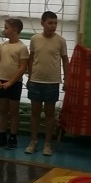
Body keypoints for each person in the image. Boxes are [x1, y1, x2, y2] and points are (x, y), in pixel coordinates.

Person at [25, 11, 69, 157]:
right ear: (42, 23)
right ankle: (33, 141)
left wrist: (67, 79)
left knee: (50, 114)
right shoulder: (34, 39)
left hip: (52, 82)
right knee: (35, 113)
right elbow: (31, 59)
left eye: (55, 23)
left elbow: (65, 61)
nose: (53, 26)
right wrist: (30, 77)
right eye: (50, 23)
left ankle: (47, 143)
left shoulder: (61, 41)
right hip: (36, 81)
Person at [0, 18, 29, 149]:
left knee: (14, 112)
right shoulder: (2, 46)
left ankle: (13, 137)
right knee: (3, 110)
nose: (4, 30)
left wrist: (11, 82)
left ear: (15, 30)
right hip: (1, 81)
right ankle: (2, 135)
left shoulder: (22, 47)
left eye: (6, 28)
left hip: (15, 83)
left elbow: (22, 67)